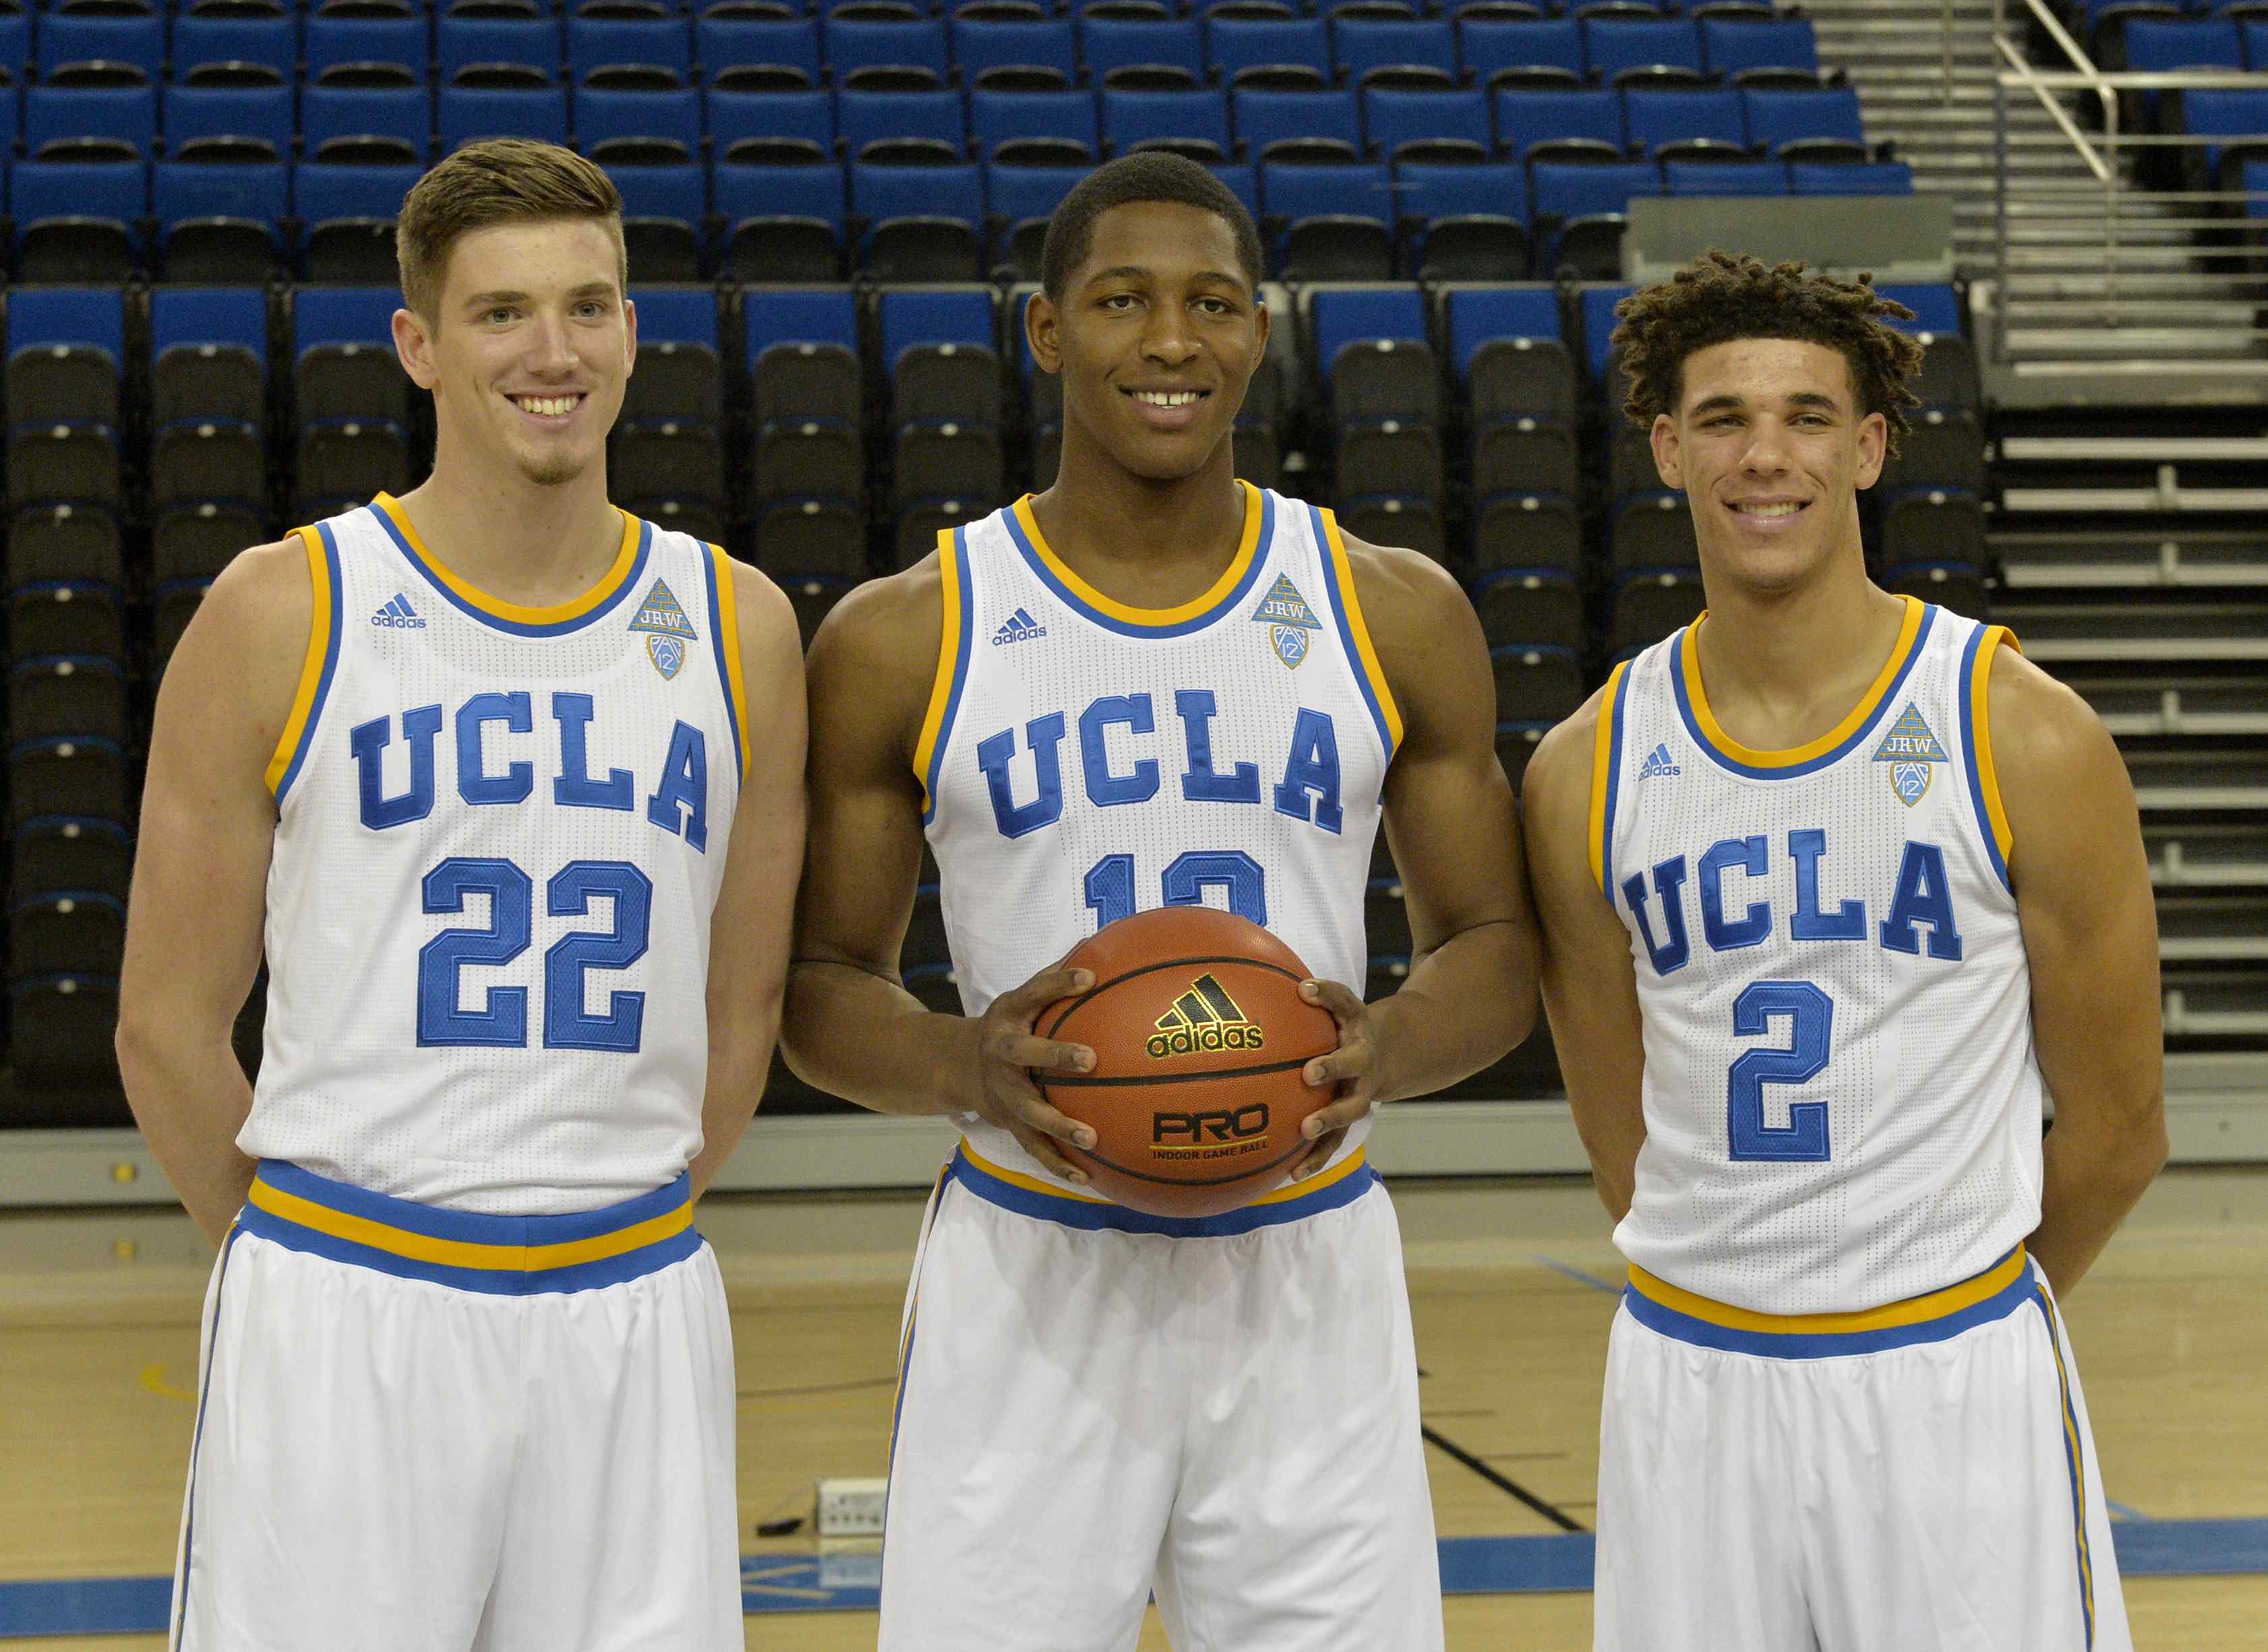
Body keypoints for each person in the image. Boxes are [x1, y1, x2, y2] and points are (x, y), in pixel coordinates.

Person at [781, 152, 1539, 1650]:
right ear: (1046, 333)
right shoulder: (906, 630)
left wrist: (1381, 1044)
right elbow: (814, 984)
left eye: (1208, 303)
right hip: (1032, 1252)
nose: (1169, 341)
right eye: (1120, 301)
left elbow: (1500, 948)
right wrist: (960, 1061)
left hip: (1305, 1256)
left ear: (1259, 331)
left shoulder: (1389, 607)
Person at [117, 138, 805, 1650]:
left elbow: (740, 1008)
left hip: (632, 1300)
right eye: (501, 314)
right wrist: (300, 1265)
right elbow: (164, 1023)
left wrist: (603, 1223)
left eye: (589, 307)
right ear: (419, 346)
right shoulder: (284, 608)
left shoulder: (739, 625)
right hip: (348, 1299)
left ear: (634, 329)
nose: (551, 353)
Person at [1522, 251, 2166, 1651]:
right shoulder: (1584, 768)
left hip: (1948, 1379)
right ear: (1664, 446)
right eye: (1723, 417)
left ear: (1868, 448)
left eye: (1808, 415)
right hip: (1689, 1384)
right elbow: (1617, 1135)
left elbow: (2119, 1126)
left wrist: (1960, 1316)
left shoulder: (2019, 732)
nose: (1766, 455)